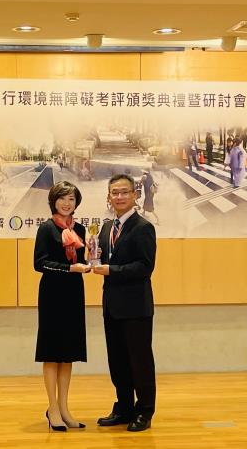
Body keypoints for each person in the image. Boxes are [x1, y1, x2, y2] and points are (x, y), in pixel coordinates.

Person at [93, 174, 157, 432]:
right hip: (112, 306)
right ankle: (124, 407)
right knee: (117, 360)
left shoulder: (143, 227)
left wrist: (112, 270)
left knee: (139, 361)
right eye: (114, 193)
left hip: (136, 307)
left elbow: (145, 267)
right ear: (109, 196)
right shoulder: (107, 227)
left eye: (124, 192)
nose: (119, 197)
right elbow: (100, 257)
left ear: (135, 195)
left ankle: (144, 411)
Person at [34, 181, 90, 432]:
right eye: (63, 198)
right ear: (53, 201)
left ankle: (65, 407)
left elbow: (83, 260)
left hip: (73, 293)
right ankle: (52, 408)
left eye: (72, 199)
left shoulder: (80, 228)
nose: (67, 203)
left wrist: (91, 262)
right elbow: (40, 263)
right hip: (52, 294)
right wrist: (70, 268)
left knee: (68, 353)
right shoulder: (46, 229)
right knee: (52, 352)